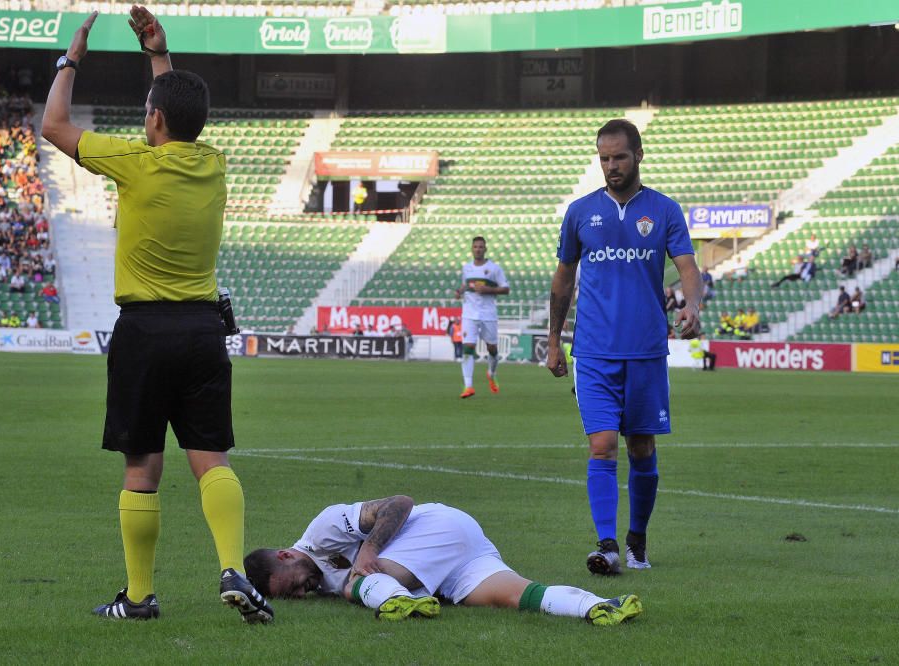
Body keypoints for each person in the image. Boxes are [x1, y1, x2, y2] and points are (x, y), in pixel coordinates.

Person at [40, 7, 272, 623]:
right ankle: (230, 566)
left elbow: (54, 124)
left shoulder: (134, 163)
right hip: (202, 330)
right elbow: (177, 116)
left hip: (144, 331)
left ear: (155, 120)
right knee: (211, 460)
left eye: (149, 109)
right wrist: (158, 58)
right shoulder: (215, 166)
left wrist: (72, 60)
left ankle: (140, 597)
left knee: (142, 466)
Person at [546, 119, 702, 575]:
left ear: (638, 155)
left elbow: (689, 267)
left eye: (619, 157)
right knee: (602, 446)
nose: (611, 166)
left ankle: (637, 539)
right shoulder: (579, 212)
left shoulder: (665, 210)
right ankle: (608, 545)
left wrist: (692, 305)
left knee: (641, 448)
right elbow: (563, 278)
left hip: (647, 349)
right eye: (604, 158)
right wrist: (555, 341)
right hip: (593, 351)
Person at [244, 495, 642, 626]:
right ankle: (599, 607)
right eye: (295, 597)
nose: (305, 590)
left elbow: (399, 503)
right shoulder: (309, 572)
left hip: (434, 527)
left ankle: (396, 601)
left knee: (355, 582)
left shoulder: (323, 530)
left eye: (294, 583)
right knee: (517, 596)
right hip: (459, 554)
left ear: (285, 555)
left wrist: (368, 551)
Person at [454, 236, 510, 398]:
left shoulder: (494, 269)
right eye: (475, 247)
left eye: (480, 247)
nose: (478, 249)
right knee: (468, 347)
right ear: (472, 249)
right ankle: (468, 386)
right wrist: (459, 291)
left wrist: (488, 290)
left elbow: (506, 289)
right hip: (469, 314)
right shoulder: (466, 268)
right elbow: (466, 285)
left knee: (492, 349)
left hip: (488, 314)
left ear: (485, 249)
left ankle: (491, 373)